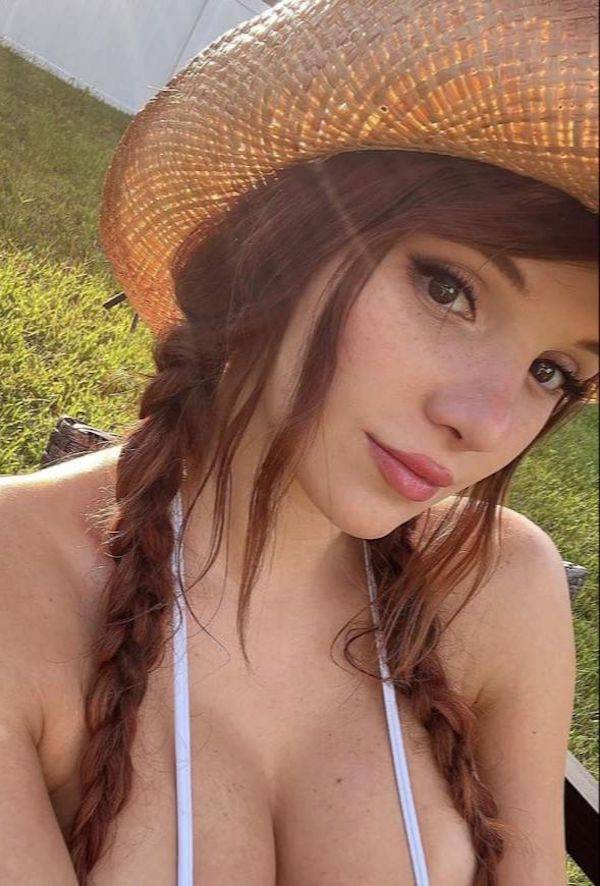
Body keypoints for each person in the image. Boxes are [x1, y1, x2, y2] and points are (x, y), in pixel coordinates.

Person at [0, 1, 598, 885]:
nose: (487, 422)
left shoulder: (499, 589)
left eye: (553, 371)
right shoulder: (19, 588)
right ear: (285, 240)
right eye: (447, 289)